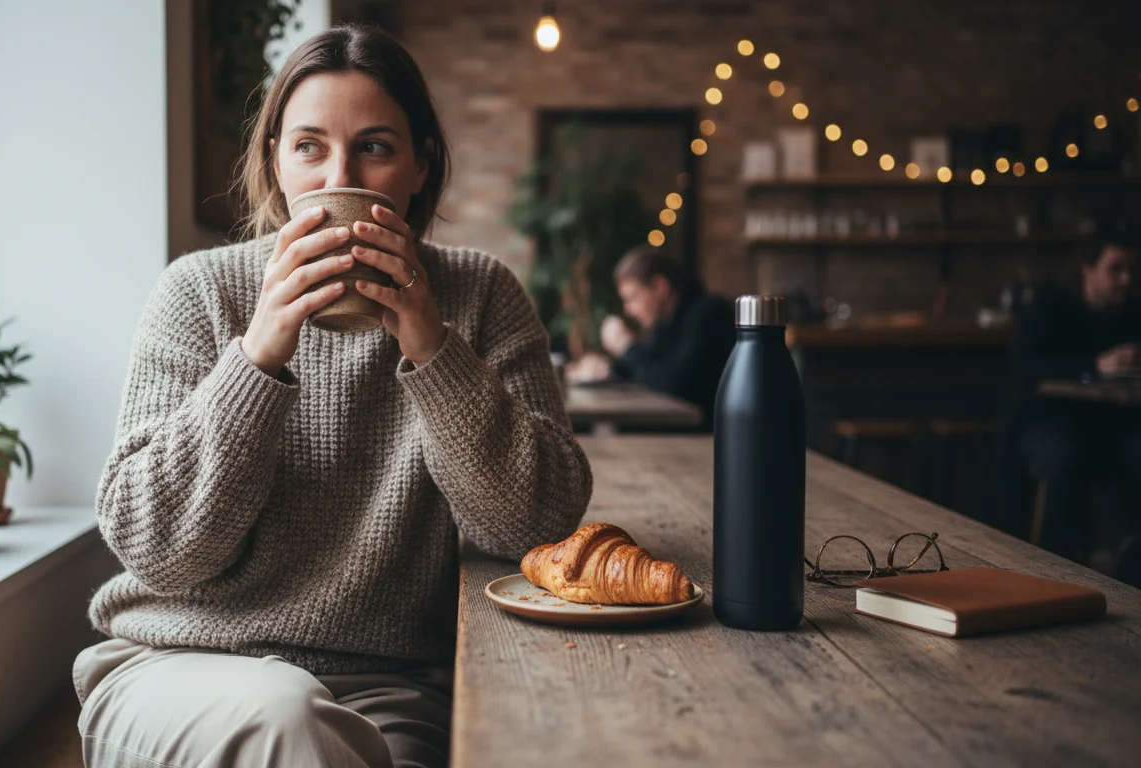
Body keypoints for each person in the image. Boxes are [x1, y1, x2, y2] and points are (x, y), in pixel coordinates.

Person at [73, 25, 592, 768]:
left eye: (375, 147)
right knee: (287, 721)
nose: (335, 175)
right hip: (176, 668)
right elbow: (156, 550)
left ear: (421, 165)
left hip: (386, 688)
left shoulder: (479, 297)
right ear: (275, 162)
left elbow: (536, 526)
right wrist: (257, 355)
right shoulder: (198, 293)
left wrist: (432, 345)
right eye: (309, 146)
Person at [995, 232, 1141, 560]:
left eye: (1132, 269)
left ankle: (1128, 557)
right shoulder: (1051, 304)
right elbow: (1023, 365)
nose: (1126, 279)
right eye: (1115, 269)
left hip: (1109, 423)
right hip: (1045, 419)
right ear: (1087, 269)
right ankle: (1053, 561)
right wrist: (1095, 364)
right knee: (1064, 457)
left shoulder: (1131, 311)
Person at [570, 246, 735, 429]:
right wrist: (607, 368)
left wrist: (627, 346)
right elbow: (649, 368)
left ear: (660, 287)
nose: (628, 310)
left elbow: (674, 384)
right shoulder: (667, 321)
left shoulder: (709, 315)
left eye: (632, 298)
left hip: (712, 438)